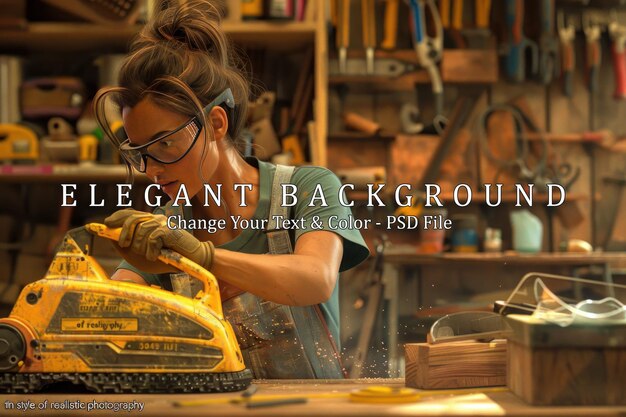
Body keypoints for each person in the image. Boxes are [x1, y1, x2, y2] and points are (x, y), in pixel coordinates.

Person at [93, 0, 369, 379]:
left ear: (216, 123)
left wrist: (204, 258)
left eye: (165, 145)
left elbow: (314, 279)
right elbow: (111, 316)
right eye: (140, 153)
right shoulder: (165, 230)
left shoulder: (307, 188)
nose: (151, 169)